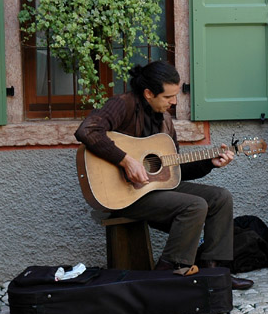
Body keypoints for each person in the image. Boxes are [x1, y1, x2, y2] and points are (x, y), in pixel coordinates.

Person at [74, 61, 253, 290]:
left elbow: (173, 169)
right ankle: (167, 274)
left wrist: (210, 163)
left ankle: (215, 272)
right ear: (148, 93)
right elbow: (87, 130)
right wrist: (126, 160)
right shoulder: (122, 104)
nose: (174, 102)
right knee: (195, 206)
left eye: (175, 96)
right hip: (123, 194)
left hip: (155, 190)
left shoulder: (165, 121)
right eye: (168, 97)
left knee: (221, 197)